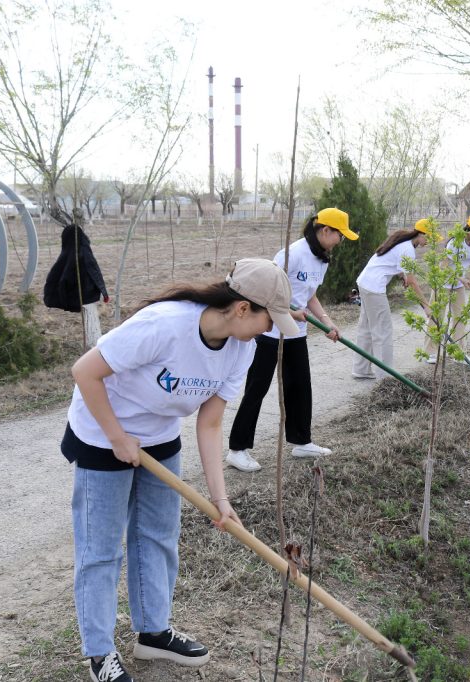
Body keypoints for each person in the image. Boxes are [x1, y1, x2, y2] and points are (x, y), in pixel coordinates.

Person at [62, 258, 296, 682]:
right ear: (243, 308)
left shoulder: (241, 349)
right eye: (268, 320)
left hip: (158, 437)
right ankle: (99, 653)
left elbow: (209, 424)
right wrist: (117, 437)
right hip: (101, 432)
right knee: (101, 550)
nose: (269, 331)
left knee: (158, 535)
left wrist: (220, 500)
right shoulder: (165, 325)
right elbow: (85, 372)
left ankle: (152, 632)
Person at [226, 208, 357, 473]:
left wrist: (327, 319)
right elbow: (269, 289)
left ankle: (301, 441)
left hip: (297, 332)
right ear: (325, 231)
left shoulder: (321, 259)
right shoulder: (292, 254)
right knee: (257, 387)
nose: (340, 241)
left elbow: (310, 296)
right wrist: (288, 312)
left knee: (300, 386)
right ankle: (237, 449)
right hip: (270, 331)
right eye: (339, 235)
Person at [352, 219, 431, 379]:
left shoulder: (402, 240)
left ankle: (361, 370)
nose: (428, 242)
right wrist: (426, 305)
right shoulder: (408, 249)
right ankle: (385, 377)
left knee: (366, 328)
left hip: (365, 282)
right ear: (421, 233)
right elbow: (412, 281)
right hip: (374, 288)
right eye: (428, 237)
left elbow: (395, 265)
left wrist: (402, 275)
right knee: (383, 331)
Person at [424, 215, 470, 364]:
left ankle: (458, 353)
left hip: (458, 286)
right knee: (437, 317)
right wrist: (461, 278)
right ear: (469, 229)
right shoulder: (455, 242)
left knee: (460, 317)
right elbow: (443, 266)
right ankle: (430, 352)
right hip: (443, 283)